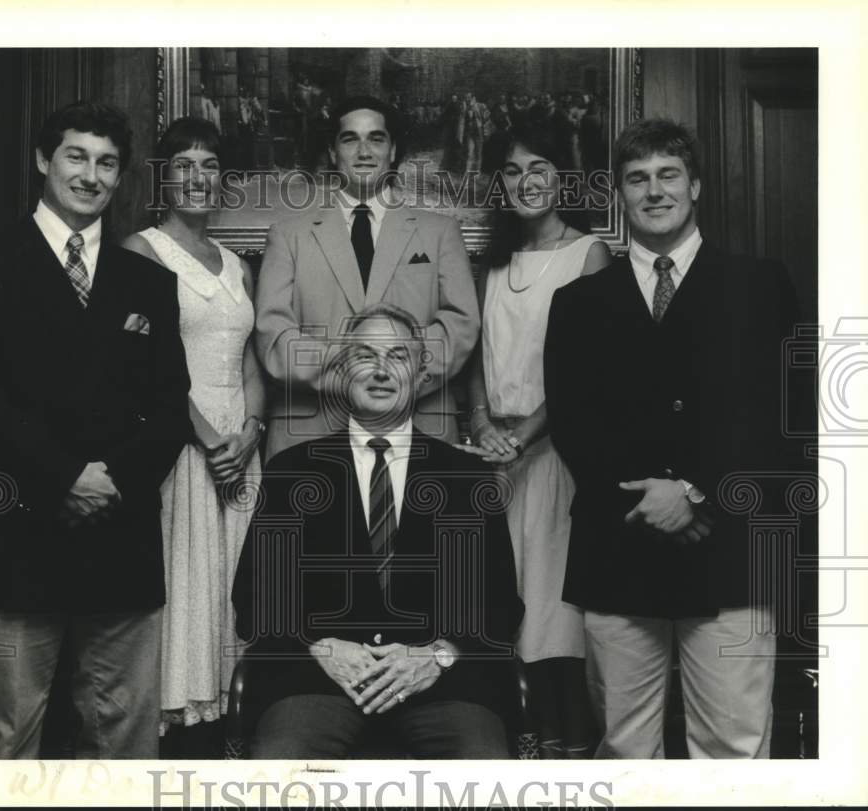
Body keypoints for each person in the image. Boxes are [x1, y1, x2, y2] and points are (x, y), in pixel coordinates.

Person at [0, 101, 191, 758]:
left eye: (107, 162)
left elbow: (171, 406)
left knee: (125, 742)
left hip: (121, 537)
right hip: (17, 540)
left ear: (121, 176)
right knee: (6, 736)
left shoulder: (150, 282)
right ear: (44, 161)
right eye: (76, 156)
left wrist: (110, 482)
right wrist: (63, 477)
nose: (91, 174)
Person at [543, 118, 802, 758]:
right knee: (626, 751)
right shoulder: (578, 302)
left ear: (695, 187)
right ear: (620, 195)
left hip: (732, 550)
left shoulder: (762, 286)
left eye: (667, 175)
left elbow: (787, 419)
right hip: (618, 547)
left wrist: (694, 492)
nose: (654, 191)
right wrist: (650, 498)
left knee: (734, 749)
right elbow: (573, 424)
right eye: (637, 179)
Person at [232, 304, 524, 758]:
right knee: (281, 767)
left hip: (442, 687)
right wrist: (322, 648)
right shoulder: (292, 471)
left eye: (399, 357)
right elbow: (254, 598)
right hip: (319, 686)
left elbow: (501, 603)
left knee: (482, 771)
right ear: (344, 370)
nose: (382, 371)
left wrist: (439, 655)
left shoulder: (467, 476)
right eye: (365, 356)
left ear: (422, 374)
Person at [462, 124, 610, 758]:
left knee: (556, 611)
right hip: (498, 458)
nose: (525, 182)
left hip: (557, 456)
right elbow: (474, 363)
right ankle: (531, 745)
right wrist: (482, 426)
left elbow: (587, 371)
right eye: (512, 172)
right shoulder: (492, 262)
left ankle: (571, 750)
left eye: (539, 167)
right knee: (510, 602)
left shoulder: (590, 253)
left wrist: (522, 436)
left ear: (562, 178)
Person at [122, 117, 265, 757]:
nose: (198, 178)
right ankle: (179, 736)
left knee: (233, 583)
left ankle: (230, 722)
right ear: (163, 176)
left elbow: (252, 362)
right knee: (185, 581)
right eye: (184, 165)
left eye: (210, 166)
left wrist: (250, 434)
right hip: (182, 445)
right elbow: (142, 372)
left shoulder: (236, 262)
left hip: (240, 449)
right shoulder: (141, 250)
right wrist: (209, 439)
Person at [255, 95, 480, 459]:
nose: (364, 151)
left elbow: (461, 326)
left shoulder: (440, 232)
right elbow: (273, 336)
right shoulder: (288, 235)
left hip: (417, 431)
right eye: (350, 139)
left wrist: (394, 376)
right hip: (309, 436)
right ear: (332, 151)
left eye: (376, 138)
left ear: (393, 151)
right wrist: (354, 377)